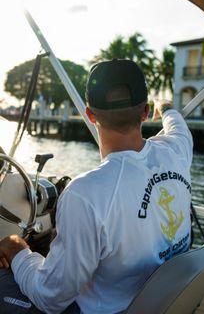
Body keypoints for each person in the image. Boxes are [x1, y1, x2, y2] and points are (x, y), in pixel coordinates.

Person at [0, 59, 193, 314]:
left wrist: (16, 248)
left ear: (90, 114)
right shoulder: (177, 149)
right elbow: (176, 123)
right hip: (160, 302)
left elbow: (50, 298)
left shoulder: (85, 193)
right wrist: (166, 107)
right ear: (145, 112)